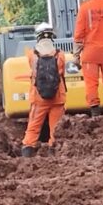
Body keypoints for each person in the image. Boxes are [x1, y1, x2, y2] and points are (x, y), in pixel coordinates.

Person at [22, 22, 67, 157]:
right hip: (57, 98)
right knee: (56, 128)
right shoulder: (60, 55)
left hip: (38, 98)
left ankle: (28, 150)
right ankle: (53, 151)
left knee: (34, 126)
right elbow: (61, 74)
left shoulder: (32, 55)